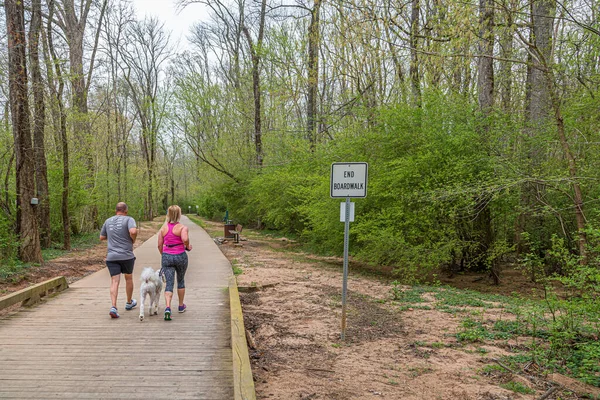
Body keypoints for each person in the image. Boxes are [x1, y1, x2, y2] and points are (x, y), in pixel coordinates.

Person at [100, 202, 138, 318]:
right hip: (126, 255)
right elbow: (133, 231)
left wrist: (112, 235)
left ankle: (114, 306)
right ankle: (129, 302)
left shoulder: (108, 221)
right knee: (128, 278)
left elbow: (102, 237)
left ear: (115, 210)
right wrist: (133, 240)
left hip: (112, 256)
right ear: (125, 211)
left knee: (114, 281)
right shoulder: (129, 219)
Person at [157, 205, 192, 321]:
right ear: (179, 214)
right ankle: (181, 305)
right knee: (180, 280)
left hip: (167, 256)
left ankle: (168, 307)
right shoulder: (182, 228)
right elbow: (185, 239)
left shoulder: (163, 229)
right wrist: (187, 246)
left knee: (169, 283)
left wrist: (164, 255)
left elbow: (159, 245)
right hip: (180, 256)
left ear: (168, 214)